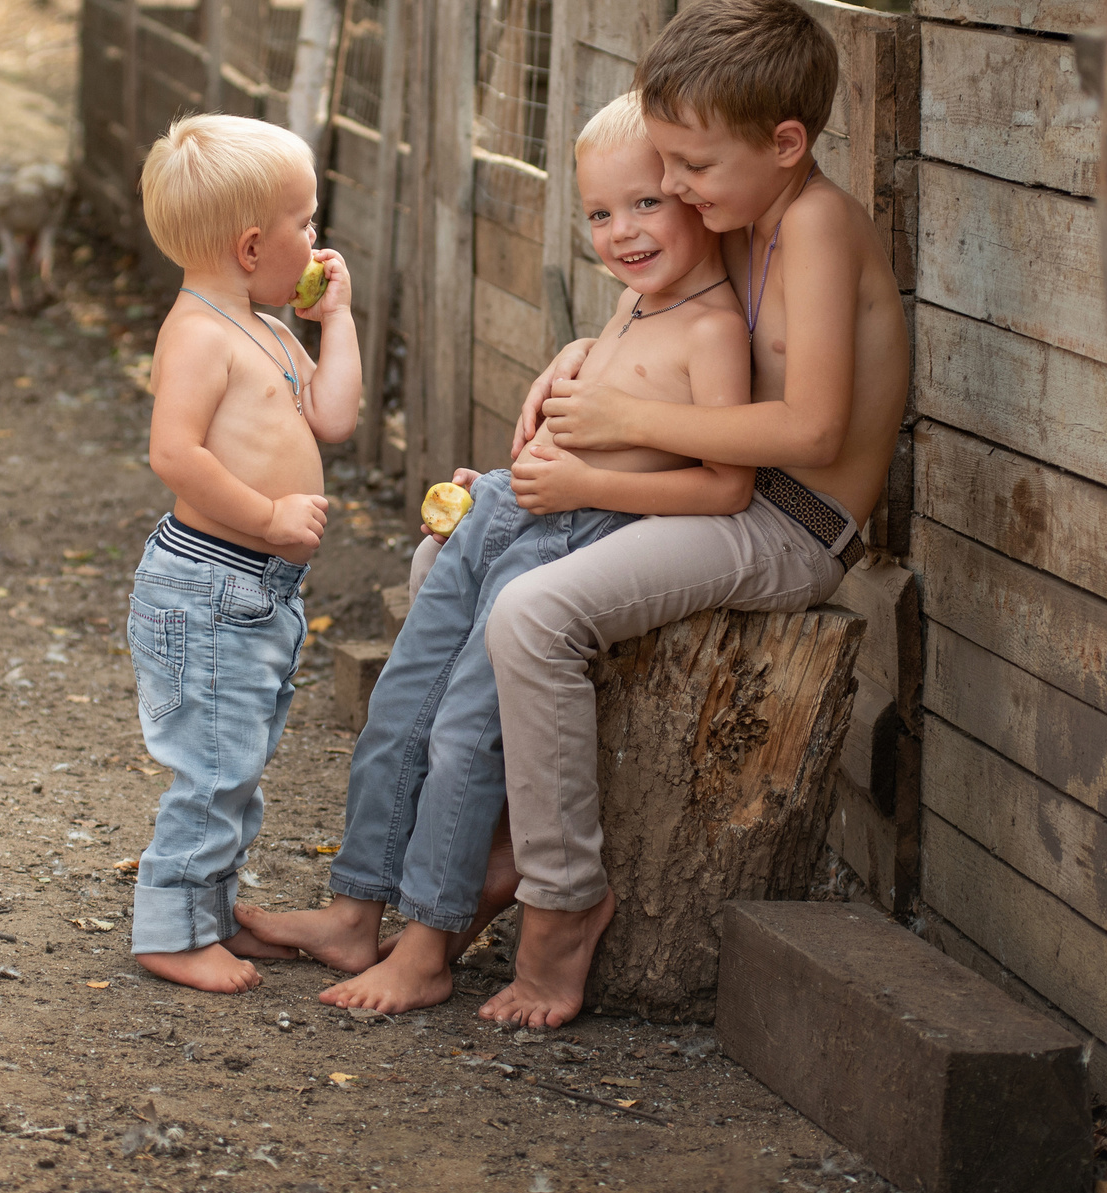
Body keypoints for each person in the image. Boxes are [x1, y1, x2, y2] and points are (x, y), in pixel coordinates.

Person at [236, 93, 753, 1013]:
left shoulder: (715, 331)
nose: (622, 231)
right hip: (507, 512)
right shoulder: (635, 301)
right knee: (402, 699)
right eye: (600, 212)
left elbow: (727, 487)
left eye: (645, 204)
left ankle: (428, 941)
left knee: (466, 725)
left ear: (693, 195)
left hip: (572, 533)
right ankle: (355, 910)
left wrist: (585, 485)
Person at [484, 0, 911, 1028]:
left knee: (534, 615)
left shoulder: (812, 225)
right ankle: (475, 846)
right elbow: (659, 312)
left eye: (690, 166)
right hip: (717, 501)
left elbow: (811, 429)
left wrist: (621, 415)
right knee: (462, 564)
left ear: (786, 139)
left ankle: (562, 900)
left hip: (789, 526)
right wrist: (579, 354)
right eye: (662, 164)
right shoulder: (743, 209)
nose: (670, 187)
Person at [124, 114, 361, 993]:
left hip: (256, 588)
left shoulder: (264, 324)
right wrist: (265, 515)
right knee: (214, 765)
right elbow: (175, 456)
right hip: (211, 582)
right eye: (306, 220)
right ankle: (171, 930)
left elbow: (334, 417)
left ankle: (210, 915)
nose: (316, 236)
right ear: (254, 242)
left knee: (238, 762)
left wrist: (335, 320)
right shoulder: (198, 334)